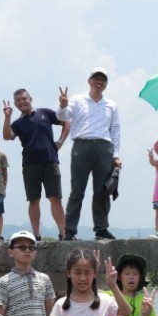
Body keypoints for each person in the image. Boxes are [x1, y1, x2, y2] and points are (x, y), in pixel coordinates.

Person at [56, 68, 121, 241]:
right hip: (81, 145)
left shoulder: (111, 105)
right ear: (89, 80)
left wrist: (116, 154)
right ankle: (69, 231)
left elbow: (115, 130)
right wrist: (63, 104)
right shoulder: (77, 100)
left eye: (103, 80)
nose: (99, 82)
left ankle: (101, 229)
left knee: (102, 191)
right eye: (96, 78)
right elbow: (62, 116)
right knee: (77, 190)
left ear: (106, 83)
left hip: (104, 147)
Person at [3, 88, 69, 240]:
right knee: (34, 200)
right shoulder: (18, 123)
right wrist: (7, 117)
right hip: (30, 164)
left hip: (50, 160)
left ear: (30, 98)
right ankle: (36, 235)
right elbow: (7, 136)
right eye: (18, 101)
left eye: (24, 99)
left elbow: (66, 122)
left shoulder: (44, 113)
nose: (22, 102)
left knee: (55, 198)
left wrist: (60, 141)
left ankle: (64, 233)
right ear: (15, 104)